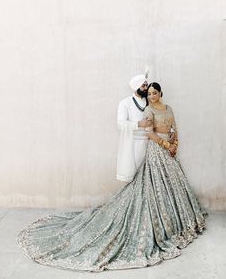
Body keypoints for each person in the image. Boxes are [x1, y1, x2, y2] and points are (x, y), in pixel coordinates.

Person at [17, 81, 207, 272]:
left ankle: (178, 221)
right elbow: (149, 133)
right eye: (149, 94)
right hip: (157, 151)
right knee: (153, 185)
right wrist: (166, 146)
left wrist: (175, 144)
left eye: (154, 93)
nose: (151, 96)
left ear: (160, 93)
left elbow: (174, 128)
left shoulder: (168, 108)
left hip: (169, 152)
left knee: (173, 184)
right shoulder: (148, 111)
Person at [116, 72, 150, 182]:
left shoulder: (150, 101)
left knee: (149, 177)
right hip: (134, 144)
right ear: (136, 86)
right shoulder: (125, 103)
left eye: (146, 85)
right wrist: (138, 124)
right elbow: (120, 124)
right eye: (143, 85)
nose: (146, 88)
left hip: (152, 143)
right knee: (137, 177)